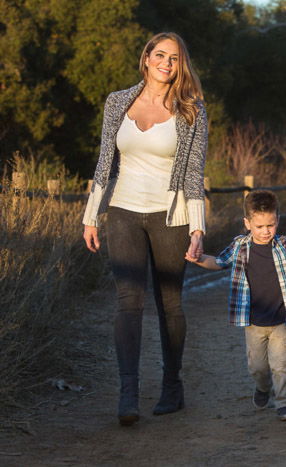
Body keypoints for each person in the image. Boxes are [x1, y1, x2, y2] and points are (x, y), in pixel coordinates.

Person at [82, 32, 208, 426]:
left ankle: (172, 386)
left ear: (180, 65)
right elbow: (105, 162)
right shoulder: (118, 102)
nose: (165, 63)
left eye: (173, 57)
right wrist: (90, 215)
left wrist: (198, 228)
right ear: (146, 58)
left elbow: (193, 172)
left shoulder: (192, 110)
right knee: (128, 302)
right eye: (159, 55)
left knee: (169, 304)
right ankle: (129, 393)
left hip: (171, 216)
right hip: (123, 212)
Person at [186, 190, 286, 422]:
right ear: (247, 223)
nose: (265, 231)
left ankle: (285, 403)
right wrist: (198, 259)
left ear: (277, 221)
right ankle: (263, 388)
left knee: (282, 365)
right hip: (253, 322)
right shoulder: (240, 246)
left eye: (270, 225)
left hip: (282, 320)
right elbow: (219, 262)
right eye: (259, 226)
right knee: (258, 368)